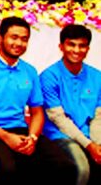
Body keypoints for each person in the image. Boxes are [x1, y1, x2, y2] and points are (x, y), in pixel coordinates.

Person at [0, 17, 75, 184]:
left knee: (64, 165)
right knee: (9, 169)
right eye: (13, 37)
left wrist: (33, 138)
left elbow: (37, 112)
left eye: (24, 39)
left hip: (22, 130)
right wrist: (7, 137)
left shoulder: (29, 71)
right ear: (0, 38)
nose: (19, 43)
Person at [41, 24, 101, 185]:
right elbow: (60, 120)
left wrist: (97, 143)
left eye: (82, 46)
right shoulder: (49, 77)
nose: (76, 50)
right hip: (60, 134)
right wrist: (89, 145)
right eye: (71, 44)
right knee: (81, 169)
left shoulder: (97, 76)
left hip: (89, 133)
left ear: (88, 49)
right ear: (61, 47)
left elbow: (98, 115)